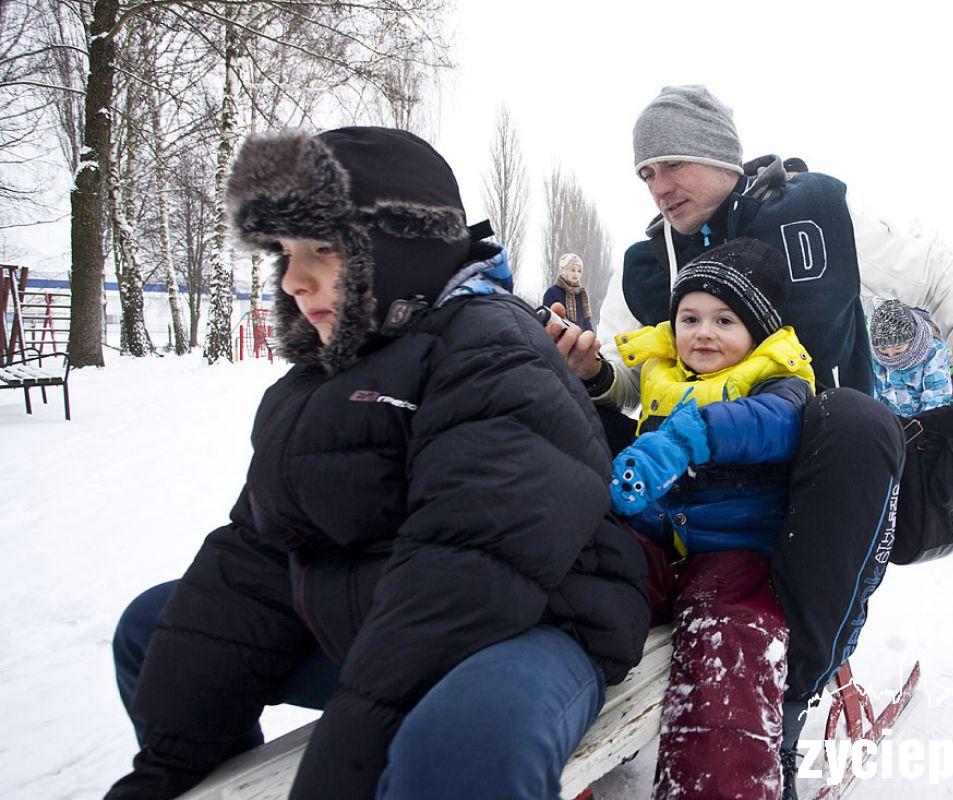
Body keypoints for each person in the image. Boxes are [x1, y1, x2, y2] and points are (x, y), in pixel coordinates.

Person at [103, 128, 650, 800]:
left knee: (462, 739)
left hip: (533, 623)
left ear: (397, 245)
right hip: (391, 615)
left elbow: (462, 581)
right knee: (157, 632)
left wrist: (339, 773)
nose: (295, 280)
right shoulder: (321, 374)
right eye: (285, 254)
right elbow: (256, 555)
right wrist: (165, 772)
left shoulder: (494, 351)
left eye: (322, 251)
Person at [548, 84, 953, 799]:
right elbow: (630, 378)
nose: (658, 185)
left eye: (671, 163)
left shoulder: (814, 212)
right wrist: (595, 375)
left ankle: (780, 713)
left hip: (826, 477)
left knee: (851, 420)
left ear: (718, 156)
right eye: (645, 173)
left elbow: (930, 267)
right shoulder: (650, 265)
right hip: (700, 493)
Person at [609, 238, 815, 799]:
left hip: (734, 553)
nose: (704, 332)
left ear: (756, 333)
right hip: (654, 541)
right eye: (690, 317)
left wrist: (689, 435)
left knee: (727, 653)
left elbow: (776, 422)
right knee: (592, 568)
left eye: (725, 320)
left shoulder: (778, 380)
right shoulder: (663, 374)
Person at [869, 299, 953, 415]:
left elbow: (937, 394)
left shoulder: (932, 350)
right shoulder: (873, 354)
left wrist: (922, 426)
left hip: (921, 422)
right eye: (883, 350)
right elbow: (872, 392)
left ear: (913, 340)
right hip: (889, 419)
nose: (891, 356)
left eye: (898, 349)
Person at [542, 252, 594, 331]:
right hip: (560, 336)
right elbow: (546, 318)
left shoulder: (581, 294)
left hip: (581, 337)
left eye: (579, 271)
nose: (576, 274)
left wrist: (591, 336)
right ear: (564, 271)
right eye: (572, 270)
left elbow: (586, 321)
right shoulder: (552, 293)